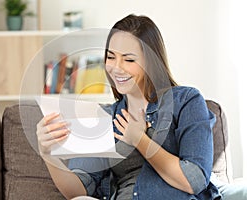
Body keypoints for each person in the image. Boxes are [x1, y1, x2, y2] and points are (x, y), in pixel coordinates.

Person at [36, 14, 222, 199]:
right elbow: (78, 191)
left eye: (129, 60)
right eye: (111, 57)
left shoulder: (185, 101)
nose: (117, 68)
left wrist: (139, 139)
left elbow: (195, 180)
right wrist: (48, 155)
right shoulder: (106, 117)